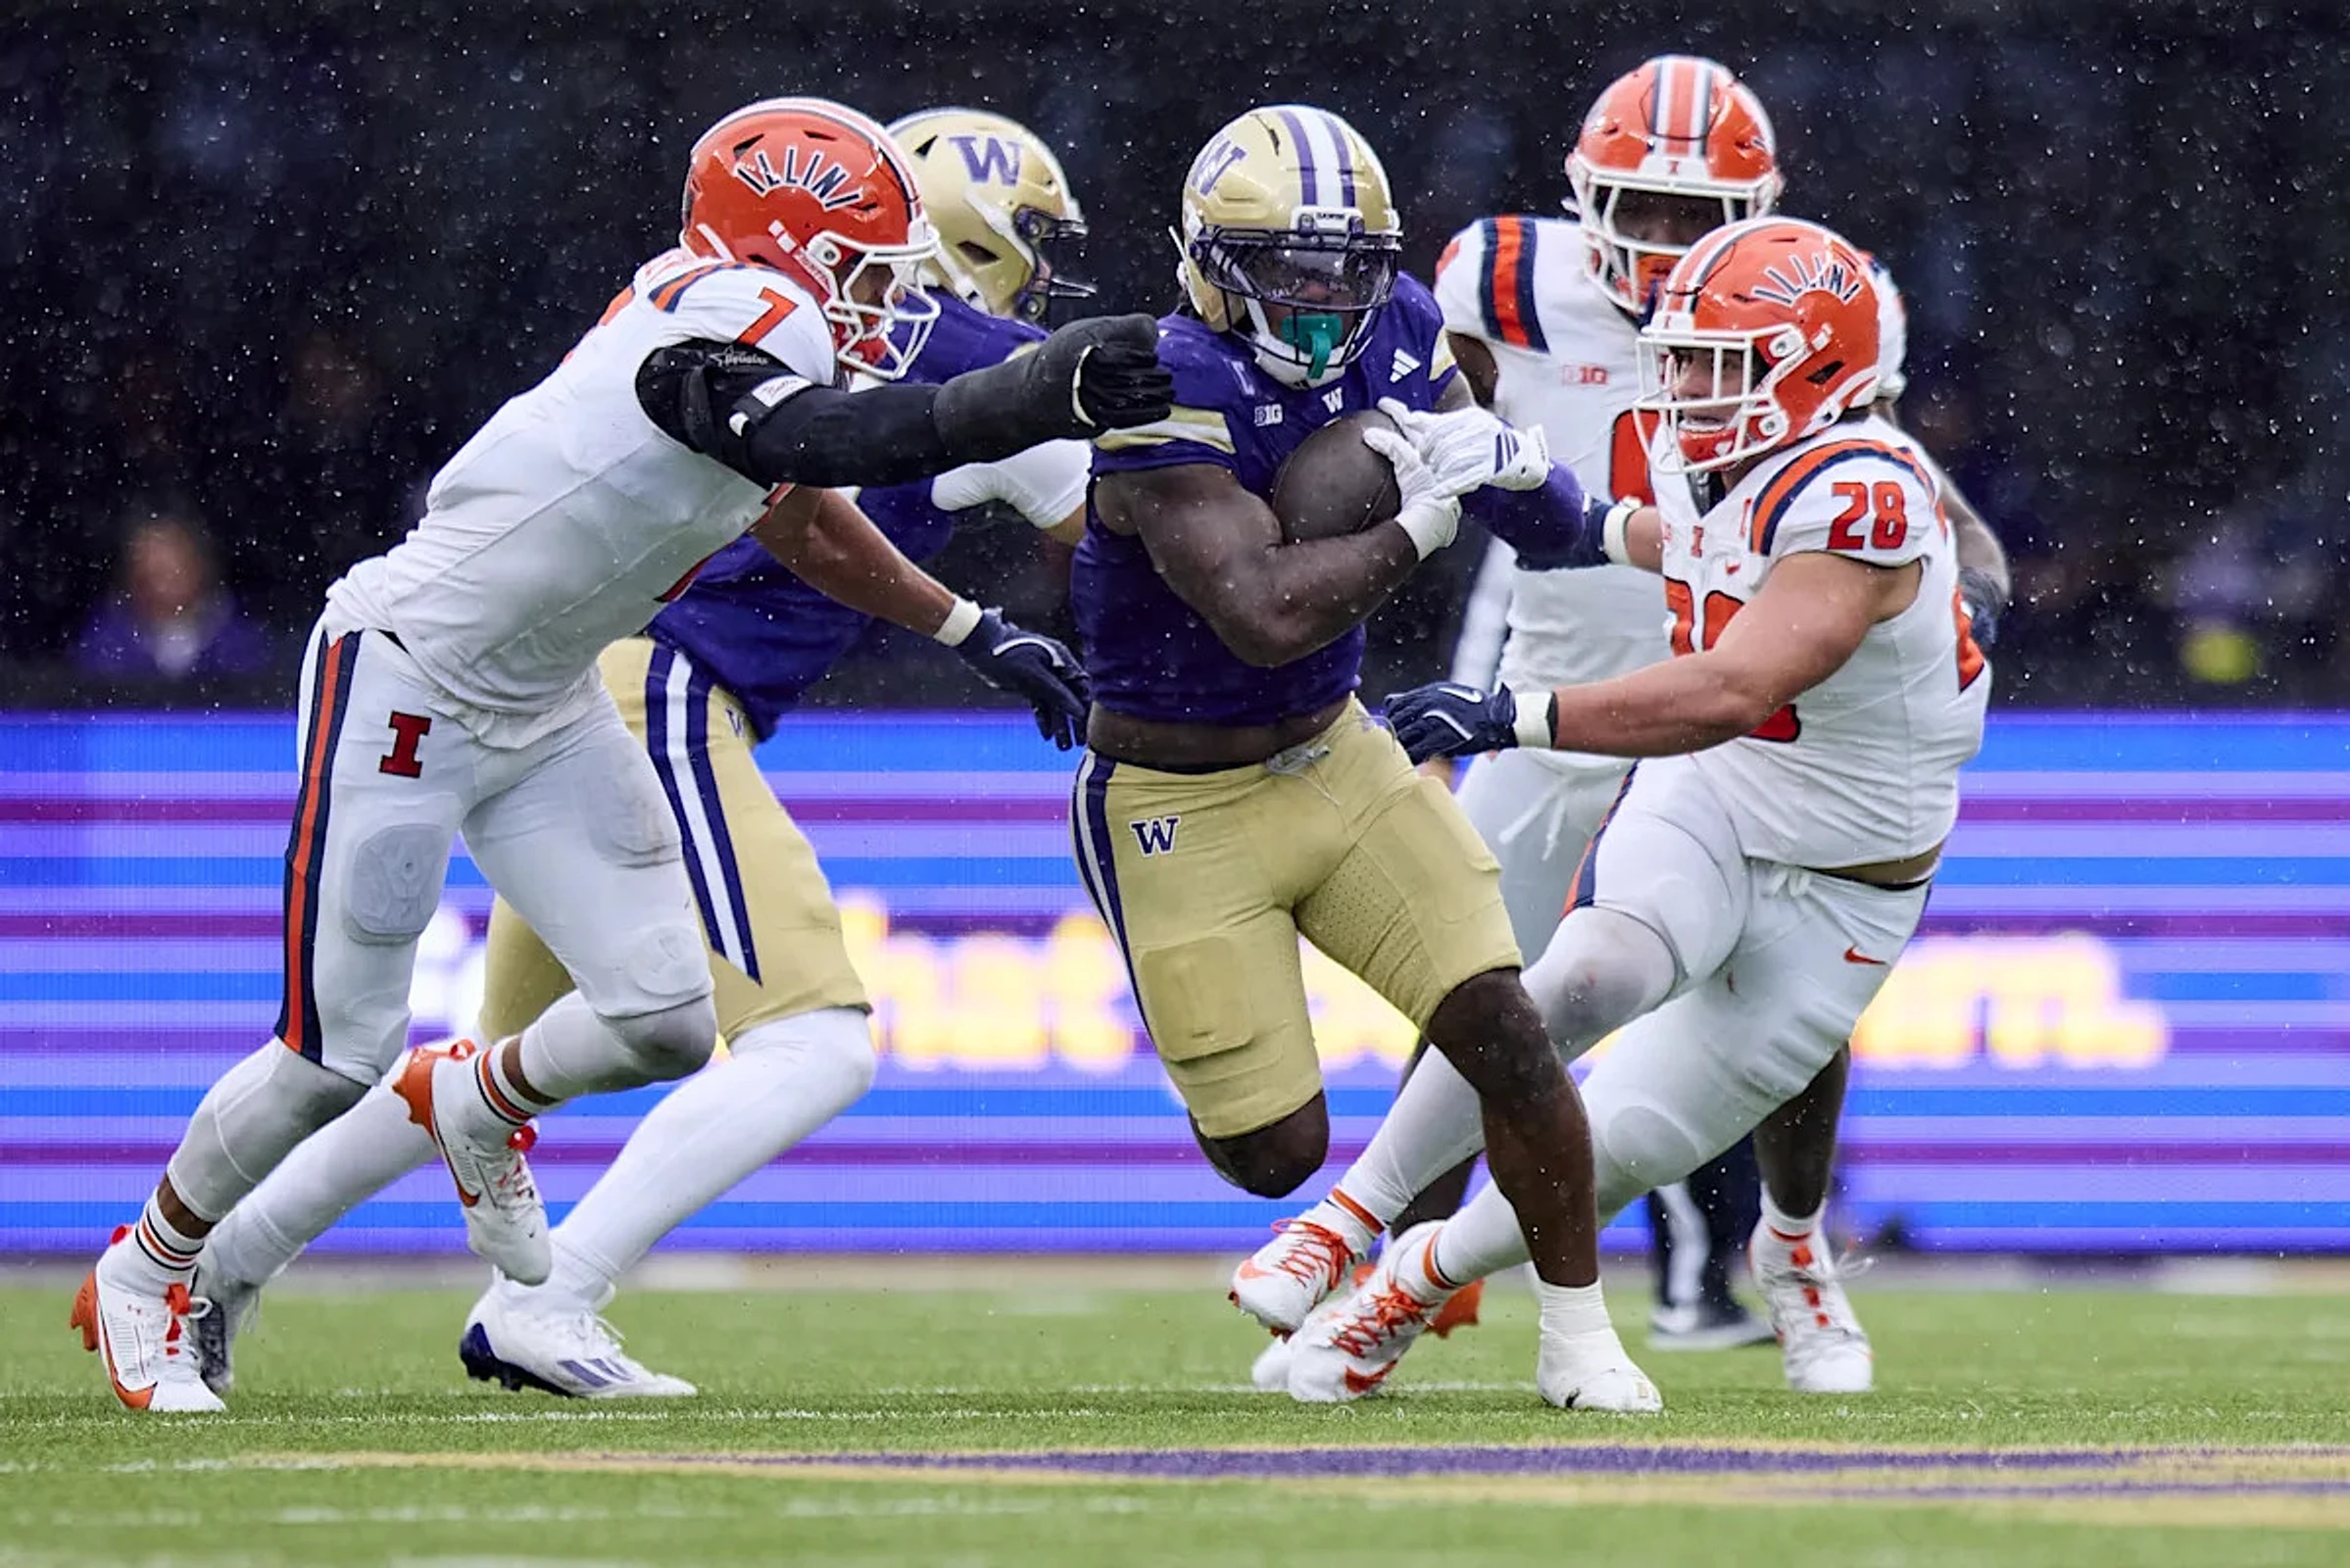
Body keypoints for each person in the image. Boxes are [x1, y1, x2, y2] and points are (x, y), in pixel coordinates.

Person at [70, 95, 1172, 1413]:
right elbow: (819, 442)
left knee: (662, 1016)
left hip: (548, 698)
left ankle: (478, 1101)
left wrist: (969, 629)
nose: (890, 302)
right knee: (331, 1055)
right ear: (789, 245)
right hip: (410, 678)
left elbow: (801, 512)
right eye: (869, 270)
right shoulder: (727, 317)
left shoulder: (754, 326)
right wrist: (1028, 392)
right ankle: (147, 1268)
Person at [1251, 54, 2011, 1369]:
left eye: (1689, 218)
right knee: (1518, 990)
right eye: (1635, 209)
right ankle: (1351, 1234)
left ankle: (1764, 1248)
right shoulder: (1545, 310)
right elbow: (1580, 503)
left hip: (1773, 771)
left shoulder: (1839, 443)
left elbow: (1748, 661)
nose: (1680, 384)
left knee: (1658, 1117)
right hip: (1664, 740)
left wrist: (1972, 589)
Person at [1074, 104, 1656, 1410]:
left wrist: (1575, 508)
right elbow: (1262, 610)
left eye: (1345, 266)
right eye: (1286, 265)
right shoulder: (1161, 382)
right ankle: (1322, 1219)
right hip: (1176, 793)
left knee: (1509, 1033)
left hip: (1335, 750)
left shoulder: (1400, 326)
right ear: (1210, 262)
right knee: (1274, 1152)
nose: (1322, 294)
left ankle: (1577, 1338)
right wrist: (1420, 514)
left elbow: (1509, 492)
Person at [74, 504, 273, 681]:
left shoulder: (240, 643)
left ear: (199, 567)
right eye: (150, 574)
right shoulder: (104, 646)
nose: (159, 586)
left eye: (171, 573)